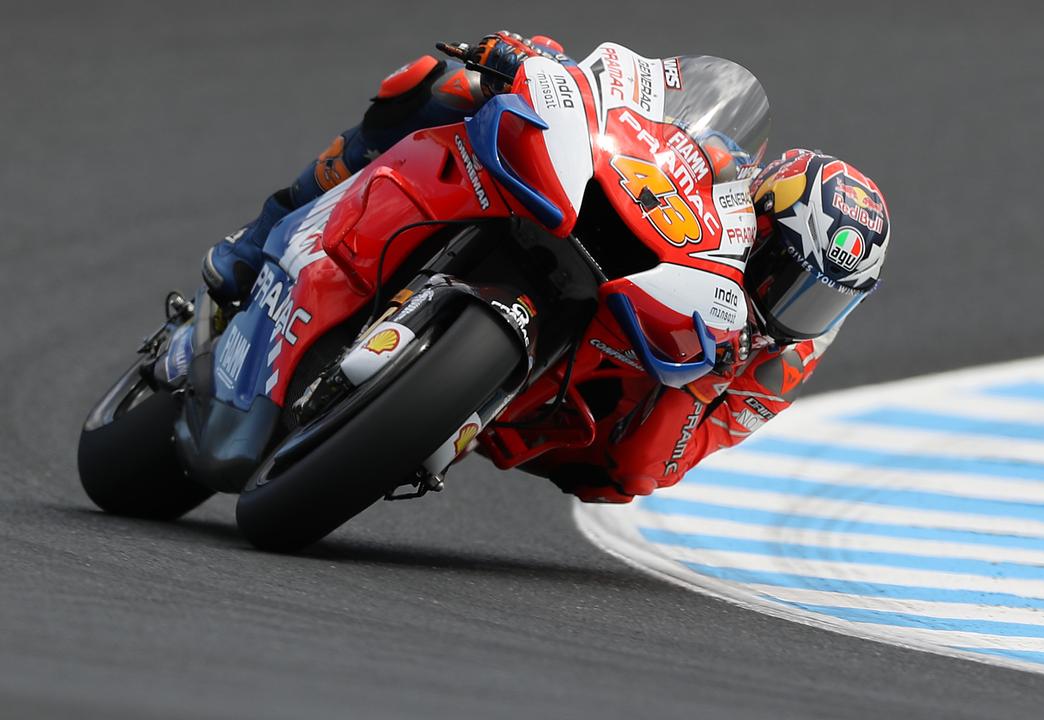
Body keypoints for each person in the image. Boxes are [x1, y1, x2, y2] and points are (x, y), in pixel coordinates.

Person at [202, 32, 891, 504]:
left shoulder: (786, 351)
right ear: (765, 218)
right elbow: (637, 100)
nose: (789, 305)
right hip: (606, 240)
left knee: (630, 466)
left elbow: (652, 465)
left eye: (817, 300)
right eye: (784, 274)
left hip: (596, 423)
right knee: (440, 83)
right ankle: (262, 234)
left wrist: (715, 369)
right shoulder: (722, 172)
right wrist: (542, 63)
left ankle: (439, 412)